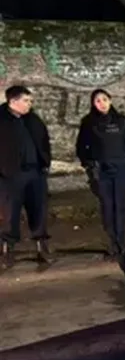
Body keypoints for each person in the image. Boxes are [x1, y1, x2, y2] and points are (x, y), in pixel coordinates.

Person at [74, 88, 125, 257]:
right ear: (93, 104)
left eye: (104, 99)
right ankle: (112, 242)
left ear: (110, 101)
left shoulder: (120, 121)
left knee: (120, 207)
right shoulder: (89, 122)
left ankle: (122, 243)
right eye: (98, 101)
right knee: (107, 208)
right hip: (101, 173)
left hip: (121, 171)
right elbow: (81, 147)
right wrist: (89, 165)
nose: (102, 104)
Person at [0, 85, 54, 268]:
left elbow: (44, 141)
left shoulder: (33, 120)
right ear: (13, 101)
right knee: (10, 214)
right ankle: (7, 250)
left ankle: (41, 247)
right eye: (26, 100)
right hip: (10, 175)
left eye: (30, 100)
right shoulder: (2, 120)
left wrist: (45, 163)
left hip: (35, 172)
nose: (29, 104)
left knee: (39, 210)